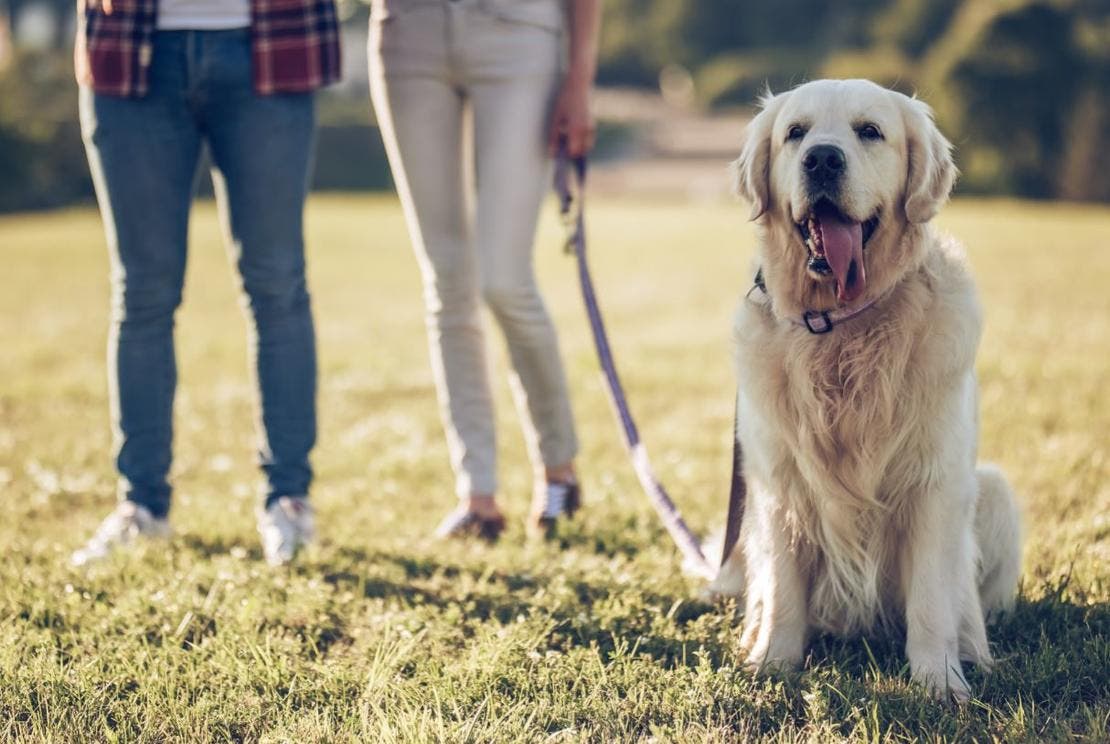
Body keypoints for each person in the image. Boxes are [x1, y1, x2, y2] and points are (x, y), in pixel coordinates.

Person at [71, 0, 341, 567]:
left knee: (278, 287)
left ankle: (288, 499)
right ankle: (141, 506)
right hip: (130, 43)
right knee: (142, 294)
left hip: (270, 37)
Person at [368, 0, 601, 539]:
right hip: (408, 35)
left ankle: (558, 468)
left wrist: (580, 81)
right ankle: (478, 495)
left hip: (518, 33)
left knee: (503, 277)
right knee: (447, 280)